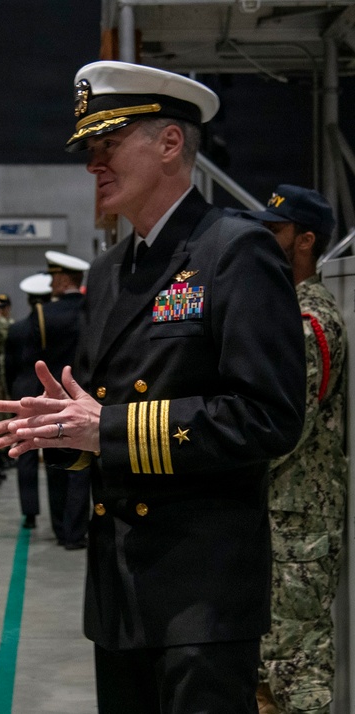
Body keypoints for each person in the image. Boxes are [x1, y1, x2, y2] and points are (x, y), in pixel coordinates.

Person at [0, 60, 306, 714]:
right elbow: (100, 422)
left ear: (169, 144)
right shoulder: (107, 274)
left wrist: (104, 429)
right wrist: (57, 431)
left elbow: (269, 415)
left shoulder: (234, 252)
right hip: (121, 590)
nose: (92, 165)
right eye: (88, 151)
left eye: (107, 146)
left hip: (201, 594)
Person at [240, 185, 347, 714]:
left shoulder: (310, 323)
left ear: (304, 241)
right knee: (267, 664)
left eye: (273, 231)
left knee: (296, 664)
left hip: (297, 524)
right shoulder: (285, 311)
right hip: (278, 515)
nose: (262, 239)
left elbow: (282, 428)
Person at [6, 252, 91, 549]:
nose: (51, 281)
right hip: (85, 396)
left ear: (63, 279)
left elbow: (32, 359)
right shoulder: (93, 309)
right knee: (82, 466)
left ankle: (59, 528)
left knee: (57, 460)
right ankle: (75, 531)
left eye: (54, 276)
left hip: (52, 396)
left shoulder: (43, 315)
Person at [5, 272, 52, 528]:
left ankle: (30, 512)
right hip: (50, 393)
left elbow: (9, 367)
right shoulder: (59, 325)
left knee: (26, 454)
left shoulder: (17, 328)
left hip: (23, 393)